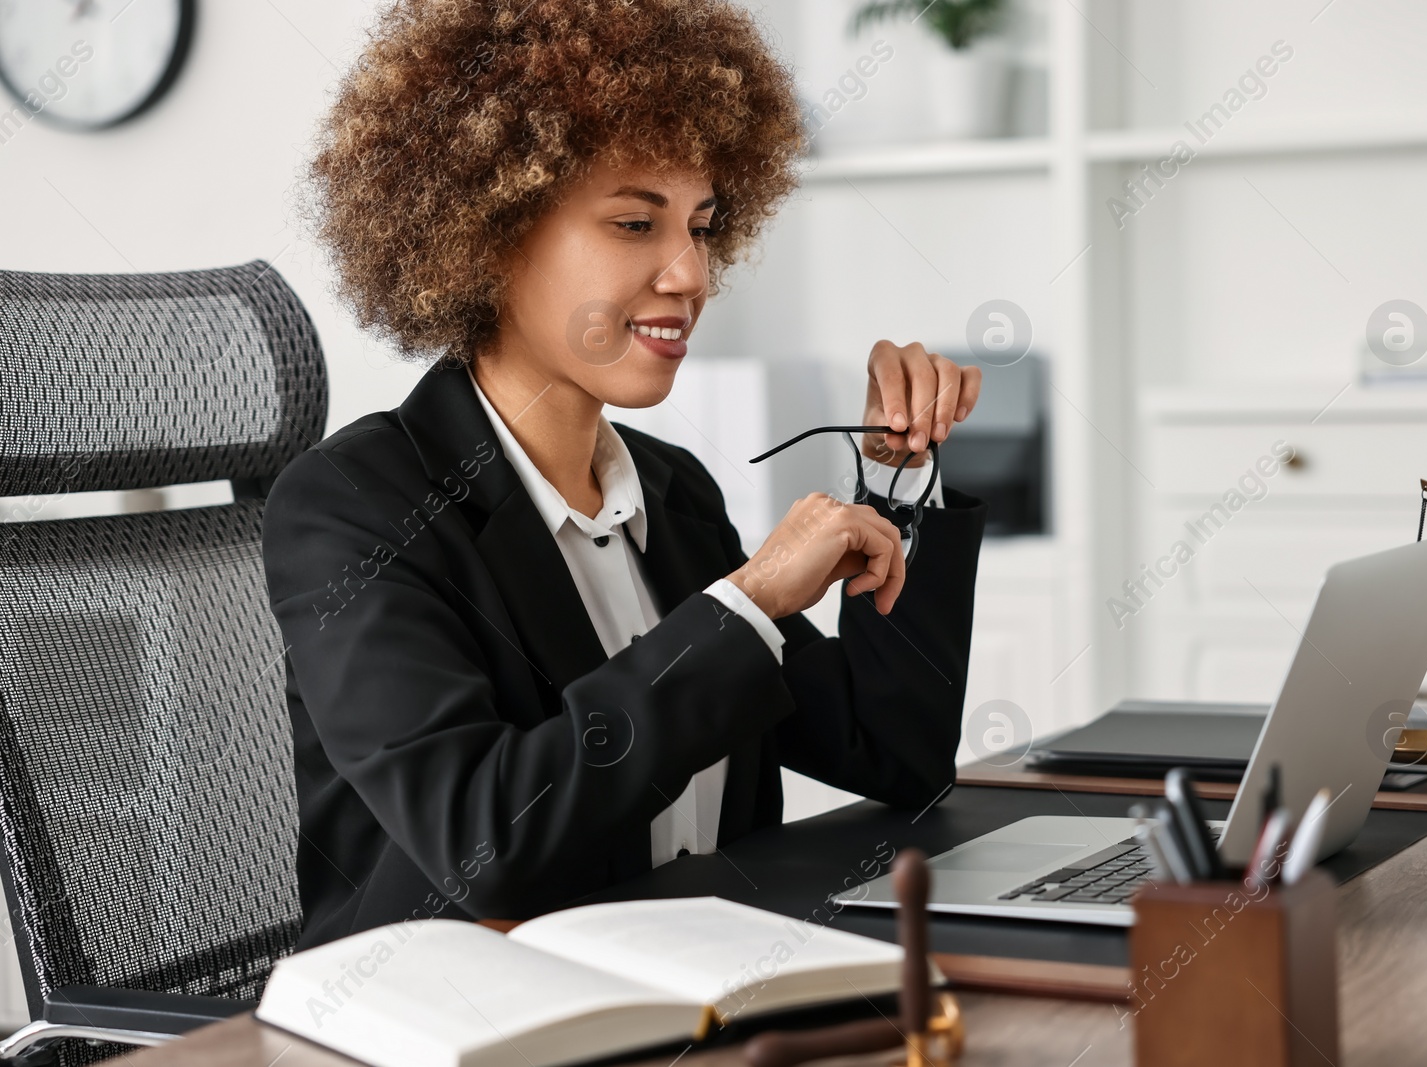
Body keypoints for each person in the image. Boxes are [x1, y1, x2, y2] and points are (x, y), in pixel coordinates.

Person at [264, 0, 988, 951]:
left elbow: (895, 748)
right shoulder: (354, 508)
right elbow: (484, 842)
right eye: (636, 222)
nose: (690, 273)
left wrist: (898, 480)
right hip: (457, 1021)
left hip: (694, 995)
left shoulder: (672, 491)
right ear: (491, 231)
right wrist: (749, 602)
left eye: (702, 223)